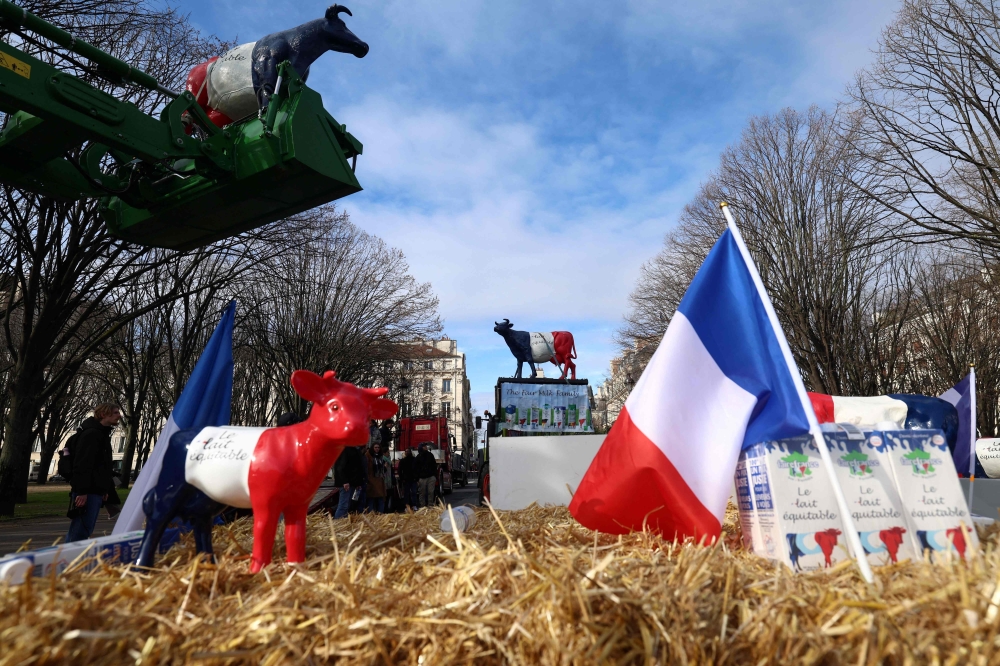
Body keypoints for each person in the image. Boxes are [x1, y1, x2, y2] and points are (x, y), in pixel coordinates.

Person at [66, 403, 121, 542]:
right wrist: (82, 491)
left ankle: (71, 560)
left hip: (95, 492)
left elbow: (102, 466)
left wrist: (104, 490)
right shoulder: (92, 434)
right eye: (115, 412)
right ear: (103, 414)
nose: (119, 415)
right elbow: (83, 464)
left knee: (83, 530)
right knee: (80, 533)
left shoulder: (100, 434)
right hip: (88, 492)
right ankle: (68, 562)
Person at [333, 444, 366, 519]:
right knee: (343, 505)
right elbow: (341, 467)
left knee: (346, 505)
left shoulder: (354, 450)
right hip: (347, 483)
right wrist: (345, 481)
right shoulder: (346, 450)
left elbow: (357, 468)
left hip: (352, 482)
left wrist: (358, 482)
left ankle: (341, 521)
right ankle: (338, 522)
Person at [365, 442, 387, 513]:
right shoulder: (368, 456)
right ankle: (371, 515)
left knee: (381, 498)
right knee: (371, 499)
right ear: (372, 448)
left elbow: (382, 468)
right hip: (371, 480)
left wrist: (384, 469)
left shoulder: (380, 456)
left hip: (379, 479)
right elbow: (367, 468)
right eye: (375, 447)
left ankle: (380, 514)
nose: (377, 449)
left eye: (378, 447)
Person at [415, 442, 438, 509]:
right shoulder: (418, 457)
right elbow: (415, 468)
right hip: (422, 478)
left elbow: (434, 465)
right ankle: (422, 506)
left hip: (431, 476)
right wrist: (417, 478)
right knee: (422, 493)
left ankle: (430, 505)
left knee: (431, 492)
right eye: (424, 446)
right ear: (421, 448)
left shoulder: (430, 455)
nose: (426, 447)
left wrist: (434, 475)